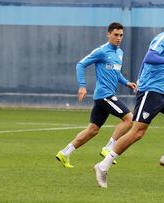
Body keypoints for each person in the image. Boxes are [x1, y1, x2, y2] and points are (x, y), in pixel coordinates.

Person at [94, 13, 164, 188]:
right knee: (136, 133)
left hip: (162, 94)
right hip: (149, 93)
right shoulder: (163, 39)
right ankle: (103, 166)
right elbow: (149, 58)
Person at [55, 22, 137, 168]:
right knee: (129, 119)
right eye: (116, 35)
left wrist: (126, 83)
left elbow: (115, 72)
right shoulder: (101, 51)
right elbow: (80, 64)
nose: (119, 38)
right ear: (109, 34)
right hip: (104, 95)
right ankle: (109, 148)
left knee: (92, 130)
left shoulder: (119, 53)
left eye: (121, 35)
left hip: (106, 96)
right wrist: (82, 86)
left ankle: (65, 153)